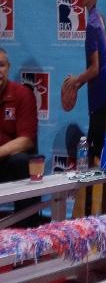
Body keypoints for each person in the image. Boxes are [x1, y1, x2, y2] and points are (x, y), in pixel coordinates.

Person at [63, 0, 106, 166]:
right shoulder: (98, 18)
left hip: (99, 97)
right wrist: (79, 84)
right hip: (101, 94)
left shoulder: (92, 24)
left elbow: (95, 68)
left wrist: (76, 80)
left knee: (94, 158)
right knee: (95, 154)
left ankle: (95, 196)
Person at [0, 47, 42, 226]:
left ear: (8, 68)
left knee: (22, 161)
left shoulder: (22, 94)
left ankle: (28, 231)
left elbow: (26, 140)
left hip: (10, 162)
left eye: (1, 65)